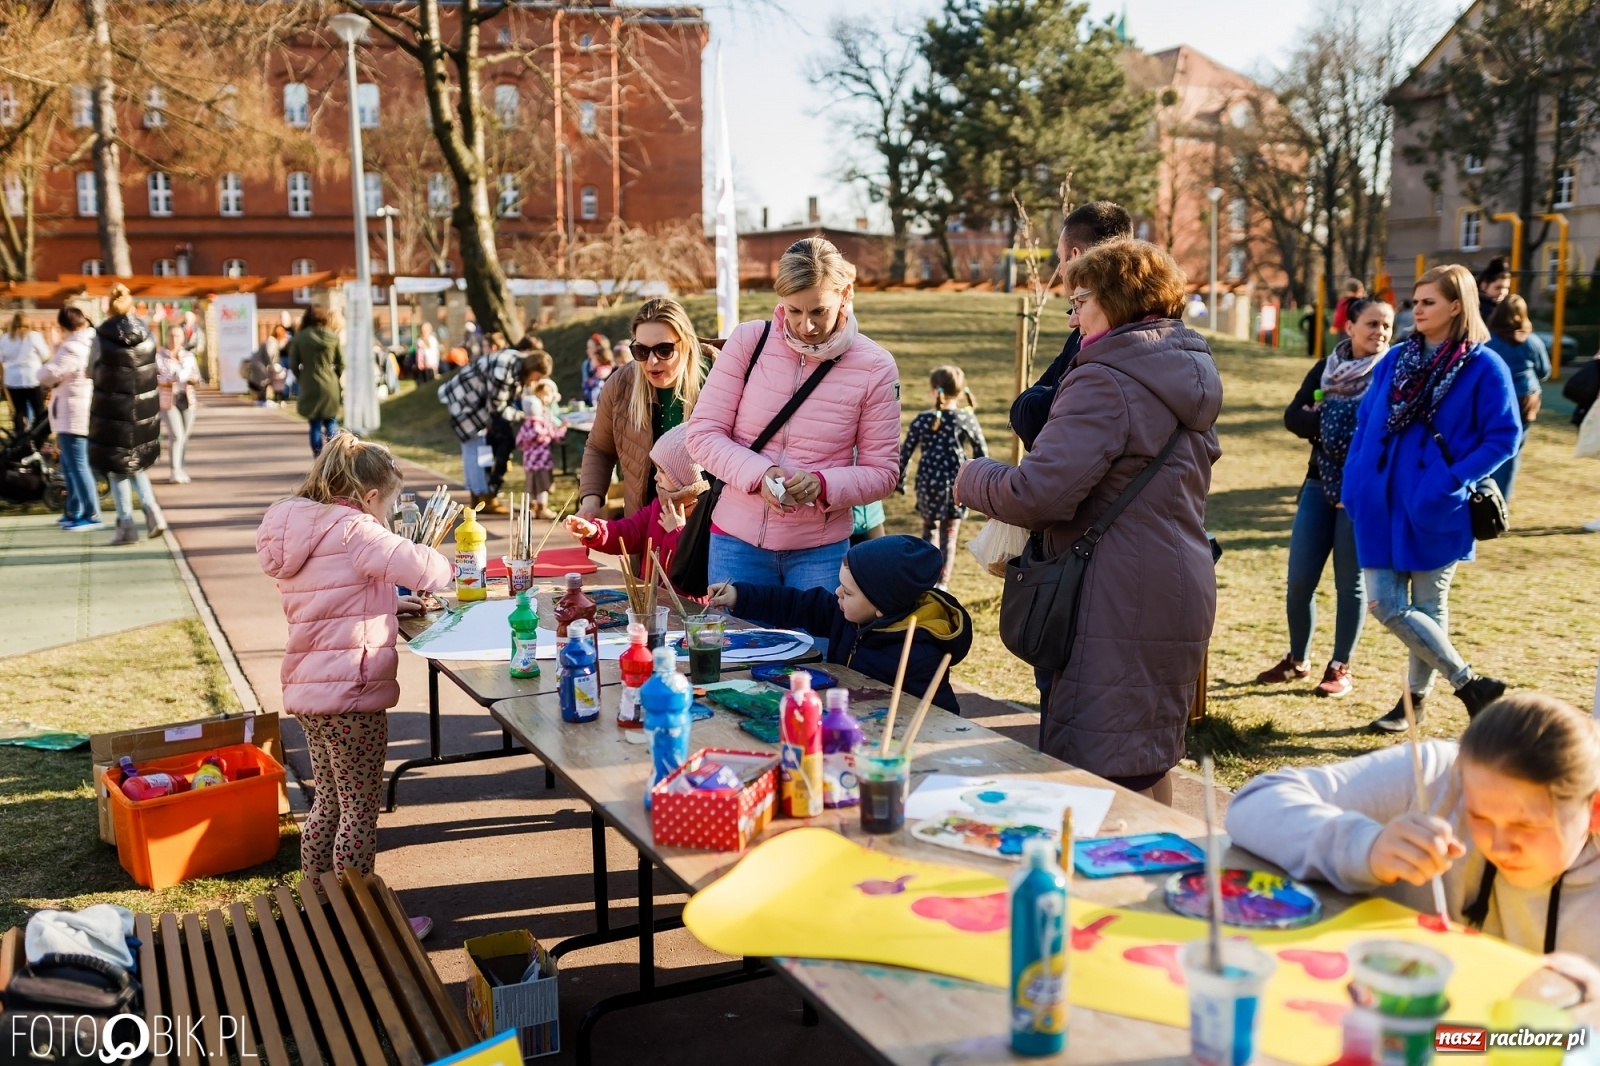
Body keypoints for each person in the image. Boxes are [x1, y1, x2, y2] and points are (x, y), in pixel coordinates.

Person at [954, 239, 1222, 800]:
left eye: (1079, 302)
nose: (1073, 318)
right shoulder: (1183, 371)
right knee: (1146, 758)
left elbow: (1037, 495)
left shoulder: (1104, 379)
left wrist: (972, 475)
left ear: (1118, 300)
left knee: (1095, 770)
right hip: (1174, 585)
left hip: (1113, 594)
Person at [1227, 693, 1600, 971]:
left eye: (1527, 825)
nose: (1498, 845)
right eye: (1479, 816)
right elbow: (1255, 803)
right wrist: (1365, 846)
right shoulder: (1435, 778)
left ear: (1594, 811)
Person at [256, 433, 451, 936]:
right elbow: (427, 569)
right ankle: (362, 921)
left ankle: (319, 905)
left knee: (327, 803)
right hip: (353, 698)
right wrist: (442, 560)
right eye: (387, 508)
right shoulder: (356, 529)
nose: (385, 517)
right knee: (359, 811)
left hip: (312, 692)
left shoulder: (300, 526)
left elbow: (331, 597)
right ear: (369, 497)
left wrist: (385, 602)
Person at [1342, 264, 1520, 731]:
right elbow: (1365, 422)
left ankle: (1412, 704)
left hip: (1436, 505)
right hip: (1378, 502)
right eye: (1416, 302)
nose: (1416, 310)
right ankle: (1470, 683)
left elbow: (1504, 436)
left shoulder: (1484, 366)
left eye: (1428, 302)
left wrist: (1450, 480)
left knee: (1426, 607)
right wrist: (1354, 479)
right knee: (1384, 604)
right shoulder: (1395, 360)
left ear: (1456, 306)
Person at [687, 238, 900, 590]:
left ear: (845, 294)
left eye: (819, 311)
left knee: (818, 631)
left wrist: (823, 484)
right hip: (736, 542)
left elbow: (883, 472)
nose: (806, 326)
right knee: (738, 631)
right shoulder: (748, 341)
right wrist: (759, 474)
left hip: (820, 551)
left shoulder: (876, 367)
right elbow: (702, 435)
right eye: (794, 310)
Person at [1256, 297, 1394, 699]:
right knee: (1299, 581)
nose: (1380, 332)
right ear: (1349, 327)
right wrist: (1332, 422)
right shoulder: (1326, 367)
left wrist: (1327, 418)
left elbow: (1385, 429)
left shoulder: (1389, 371)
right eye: (1372, 324)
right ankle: (1297, 660)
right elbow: (1293, 417)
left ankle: (1339, 667)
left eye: (1386, 325)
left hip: (1361, 489)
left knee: (1349, 583)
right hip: (1318, 482)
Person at [706, 535, 972, 713]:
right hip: (842, 718)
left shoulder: (919, 654)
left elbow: (941, 716)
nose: (837, 593)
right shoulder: (844, 613)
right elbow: (794, 604)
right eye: (840, 585)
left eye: (848, 592)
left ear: (881, 607)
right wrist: (740, 596)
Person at [1009, 201, 1134, 452]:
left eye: (1060, 258)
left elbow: (1036, 418)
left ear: (1075, 255)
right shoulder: (1157, 325)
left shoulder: (1100, 334)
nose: (1060, 270)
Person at [580, 298, 710, 520]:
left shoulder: (718, 378)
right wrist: (590, 503)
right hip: (642, 526)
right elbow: (599, 448)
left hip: (705, 526)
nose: (651, 361)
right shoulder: (620, 385)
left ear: (686, 343)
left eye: (664, 350)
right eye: (641, 350)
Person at [564, 424, 707, 597]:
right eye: (656, 469)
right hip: (651, 600)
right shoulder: (659, 505)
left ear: (684, 475)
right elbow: (627, 532)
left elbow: (697, 568)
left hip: (688, 607)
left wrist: (676, 532)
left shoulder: (704, 514)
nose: (656, 477)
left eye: (663, 471)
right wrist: (594, 531)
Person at [87, 284, 167, 545]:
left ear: (109, 307)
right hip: (142, 410)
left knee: (117, 467)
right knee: (135, 464)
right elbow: (154, 368)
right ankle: (153, 513)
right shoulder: (147, 333)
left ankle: (126, 525)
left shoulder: (102, 336)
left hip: (111, 410)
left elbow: (89, 369)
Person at [899, 365, 987, 588]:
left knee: (929, 531)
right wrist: (981, 485)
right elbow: (981, 452)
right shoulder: (966, 419)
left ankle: (926, 579)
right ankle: (943, 584)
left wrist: (900, 481)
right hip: (957, 488)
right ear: (960, 391)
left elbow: (905, 452)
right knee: (950, 534)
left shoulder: (922, 420)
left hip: (928, 486)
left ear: (933, 390)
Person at [439, 343, 547, 512]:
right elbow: (497, 408)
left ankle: (479, 496)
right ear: (532, 368)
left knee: (480, 449)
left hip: (472, 401)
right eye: (538, 376)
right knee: (476, 449)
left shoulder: (515, 360)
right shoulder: (503, 373)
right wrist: (522, 416)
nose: (537, 381)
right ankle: (482, 497)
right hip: (466, 403)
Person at [37, 305, 101, 531]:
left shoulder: (72, 347)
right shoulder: (90, 342)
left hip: (72, 413)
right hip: (76, 409)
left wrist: (55, 350)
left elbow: (47, 374)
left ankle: (92, 514)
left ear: (63, 326)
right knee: (69, 464)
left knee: (77, 465)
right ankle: (74, 510)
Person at [1485, 294, 1551, 502]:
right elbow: (1544, 371)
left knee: (1487, 445)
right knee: (1513, 451)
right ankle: (1502, 500)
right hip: (1525, 399)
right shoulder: (1532, 341)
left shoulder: (1488, 341)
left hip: (1495, 398)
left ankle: (1484, 492)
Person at [288, 306, 344, 458]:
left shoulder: (300, 338)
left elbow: (293, 365)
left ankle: (318, 458)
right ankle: (335, 457)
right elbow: (341, 363)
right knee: (331, 422)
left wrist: (302, 377)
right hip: (330, 384)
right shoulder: (332, 336)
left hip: (309, 382)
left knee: (315, 424)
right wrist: (335, 377)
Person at [156, 326, 199, 484]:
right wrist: (169, 380)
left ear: (182, 338)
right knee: (176, 435)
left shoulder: (188, 356)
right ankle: (174, 470)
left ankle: (181, 468)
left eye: (177, 336)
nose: (174, 339)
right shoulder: (159, 356)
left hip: (187, 399)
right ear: (166, 337)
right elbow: (153, 378)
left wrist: (191, 378)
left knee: (184, 437)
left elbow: (197, 377)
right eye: (171, 335)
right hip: (168, 399)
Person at [516, 377, 563, 519]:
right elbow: (554, 435)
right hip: (543, 461)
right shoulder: (543, 424)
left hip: (529, 463)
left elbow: (519, 442)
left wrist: (526, 447)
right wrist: (563, 429)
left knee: (531, 486)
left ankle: (531, 508)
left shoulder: (525, 425)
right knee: (543, 486)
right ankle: (542, 508)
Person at [2, 313, 50, 435]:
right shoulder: (34, 337)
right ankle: (38, 437)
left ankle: (19, 436)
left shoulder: (6, 338)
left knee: (18, 411)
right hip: (32, 378)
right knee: (39, 410)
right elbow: (45, 355)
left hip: (13, 379)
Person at [248, 325, 288, 405]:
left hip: (260, 364)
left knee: (263, 382)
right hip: (260, 365)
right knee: (263, 382)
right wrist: (272, 366)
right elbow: (269, 355)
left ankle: (262, 400)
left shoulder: (272, 342)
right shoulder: (272, 342)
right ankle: (262, 400)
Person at [1476, 258, 1511, 328]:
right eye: (1498, 287)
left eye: (1506, 288)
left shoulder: (1505, 308)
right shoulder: (1481, 309)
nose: (1502, 292)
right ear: (1484, 286)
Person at [581, 333, 613, 405]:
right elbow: (585, 385)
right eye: (588, 348)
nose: (588, 350)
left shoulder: (612, 366)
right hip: (591, 401)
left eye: (592, 348)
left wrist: (607, 371)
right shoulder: (586, 364)